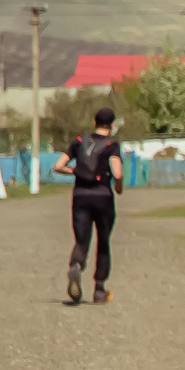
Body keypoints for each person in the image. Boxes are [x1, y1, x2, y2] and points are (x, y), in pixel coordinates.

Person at [53, 105, 124, 305]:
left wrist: (75, 172)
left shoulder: (79, 142)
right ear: (112, 125)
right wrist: (118, 186)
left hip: (81, 196)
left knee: (82, 239)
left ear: (94, 122)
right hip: (103, 197)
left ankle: (76, 265)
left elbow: (58, 166)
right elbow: (117, 173)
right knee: (103, 242)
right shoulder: (111, 145)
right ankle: (99, 291)